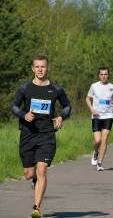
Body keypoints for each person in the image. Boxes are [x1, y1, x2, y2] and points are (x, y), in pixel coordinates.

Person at [11, 55, 71, 218]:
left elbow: (67, 106)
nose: (40, 69)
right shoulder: (25, 87)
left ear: (48, 68)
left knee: (42, 169)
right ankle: (34, 180)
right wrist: (24, 115)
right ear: (33, 68)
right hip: (28, 134)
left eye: (43, 67)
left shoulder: (56, 89)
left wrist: (60, 117)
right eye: (37, 67)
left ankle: (36, 208)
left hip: (47, 135)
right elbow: (14, 106)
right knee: (29, 174)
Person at [86, 67, 113, 171]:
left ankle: (100, 162)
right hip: (96, 116)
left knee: (104, 139)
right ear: (99, 75)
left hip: (108, 116)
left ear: (108, 75)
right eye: (102, 74)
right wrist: (91, 109)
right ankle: (95, 152)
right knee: (97, 140)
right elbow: (87, 98)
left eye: (105, 74)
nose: (104, 76)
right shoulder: (94, 86)